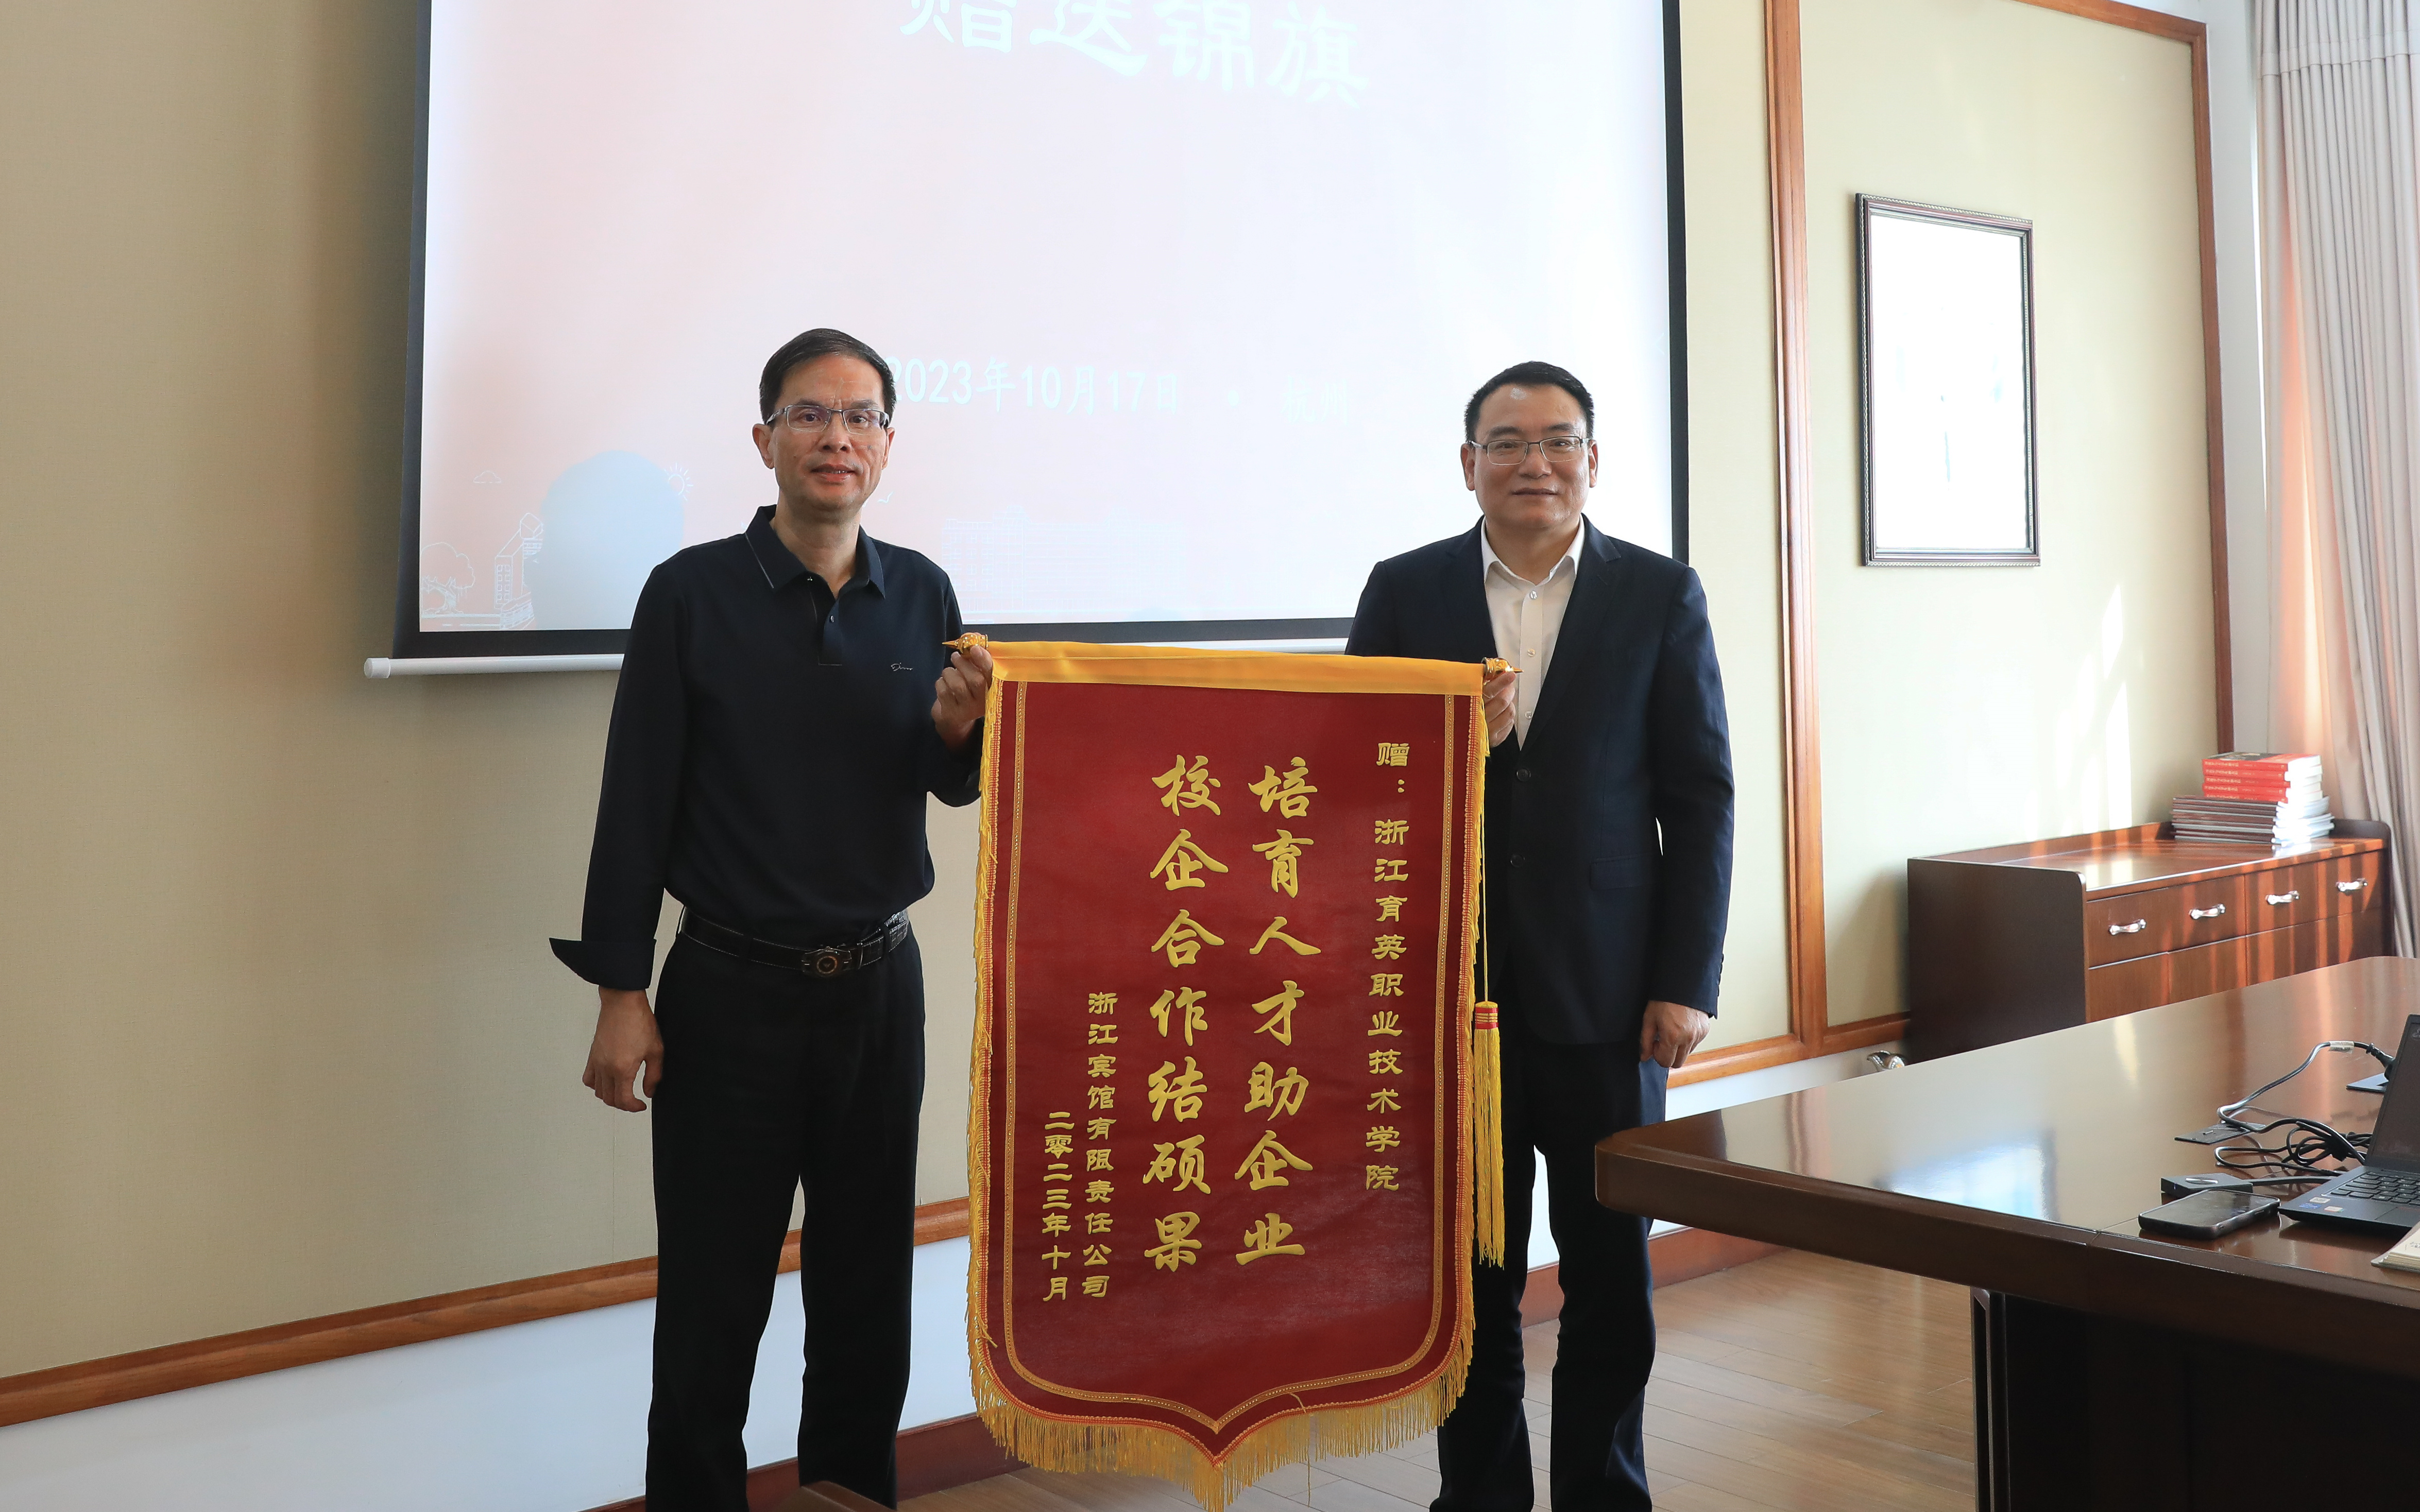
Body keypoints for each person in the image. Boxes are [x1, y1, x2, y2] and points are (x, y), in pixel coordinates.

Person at [549, 328, 994, 1512]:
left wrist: (961, 733)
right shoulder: (690, 593)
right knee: (713, 1303)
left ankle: (852, 1496)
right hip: (727, 994)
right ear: (765, 440)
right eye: (810, 414)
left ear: (888, 445)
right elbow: (635, 802)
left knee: (866, 1296)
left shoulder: (925, 592)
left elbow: (946, 779)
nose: (836, 437)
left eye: (860, 417)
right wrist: (622, 993)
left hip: (878, 992)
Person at [1346, 362, 1733, 1512]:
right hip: (1450, 993)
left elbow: (1700, 798)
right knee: (1471, 1283)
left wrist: (1685, 979)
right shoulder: (1405, 589)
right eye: (1507, 443)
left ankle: (1606, 1494)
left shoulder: (1658, 593)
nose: (1535, 463)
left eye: (1559, 441)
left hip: (1612, 998)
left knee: (1611, 1276)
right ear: (1468, 464)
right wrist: (1450, 742)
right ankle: (1480, 1498)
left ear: (1593, 461)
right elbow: (1351, 779)